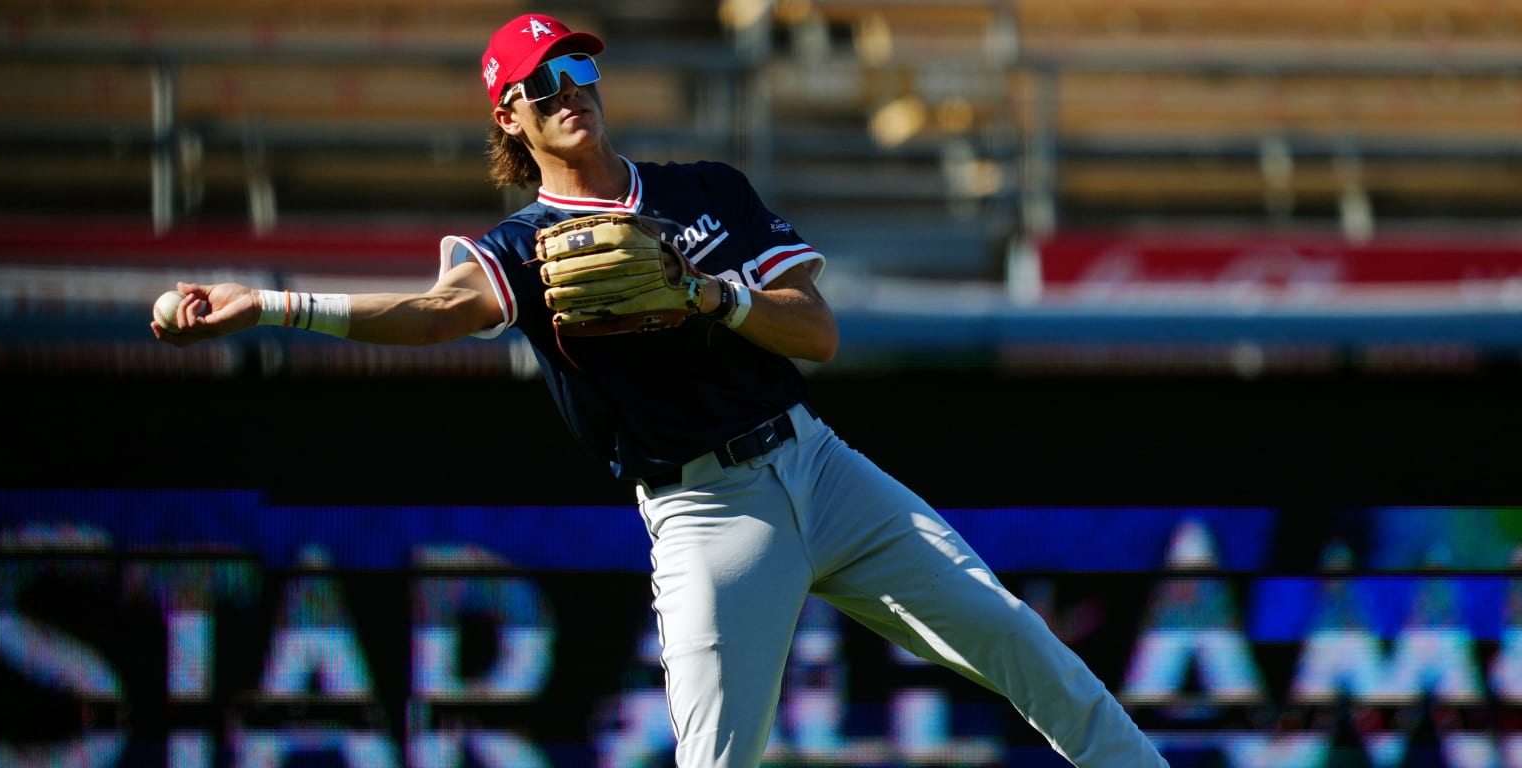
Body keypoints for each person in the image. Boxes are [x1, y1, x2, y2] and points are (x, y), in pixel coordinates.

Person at [152, 12, 1169, 768]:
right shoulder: (526, 247)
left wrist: (707, 294)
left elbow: (814, 331)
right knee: (717, 760)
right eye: (542, 83)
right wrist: (276, 307)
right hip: (703, 511)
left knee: (1020, 641)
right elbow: (435, 311)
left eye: (579, 66)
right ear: (509, 115)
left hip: (819, 463)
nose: (570, 90)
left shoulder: (705, 190)